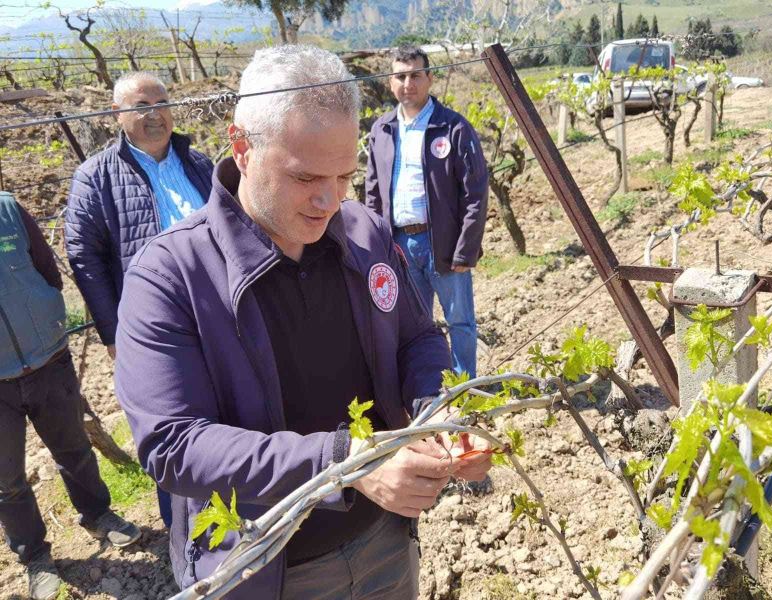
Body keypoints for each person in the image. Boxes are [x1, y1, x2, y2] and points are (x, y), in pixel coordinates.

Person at [114, 45, 493, 600]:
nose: (327, 200)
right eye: (305, 177)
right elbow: (173, 444)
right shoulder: (169, 277)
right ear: (241, 148)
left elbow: (415, 337)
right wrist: (343, 463)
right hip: (265, 568)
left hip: (385, 540)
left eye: (343, 175)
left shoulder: (364, 232)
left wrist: (436, 407)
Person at [65, 72, 214, 528]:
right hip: (155, 329)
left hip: (218, 315)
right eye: (142, 105)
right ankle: (184, 535)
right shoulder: (96, 176)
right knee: (170, 426)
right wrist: (113, 331)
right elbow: (83, 255)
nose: (155, 114)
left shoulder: (199, 164)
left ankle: (240, 516)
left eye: (162, 102)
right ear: (117, 115)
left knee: (229, 414)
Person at [0, 191, 141, 600]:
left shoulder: (8, 209)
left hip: (48, 359)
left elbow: (47, 270)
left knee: (74, 449)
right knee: (7, 480)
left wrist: (44, 314)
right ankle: (35, 559)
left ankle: (98, 514)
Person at [365, 46, 489, 379]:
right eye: (400, 76)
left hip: (444, 245)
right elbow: (373, 194)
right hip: (400, 248)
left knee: (460, 321)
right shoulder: (382, 130)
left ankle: (465, 390)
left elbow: (475, 194)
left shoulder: (454, 128)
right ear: (391, 82)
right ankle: (429, 390)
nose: (408, 83)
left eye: (415, 75)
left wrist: (466, 248)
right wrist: (377, 247)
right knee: (414, 327)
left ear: (429, 78)